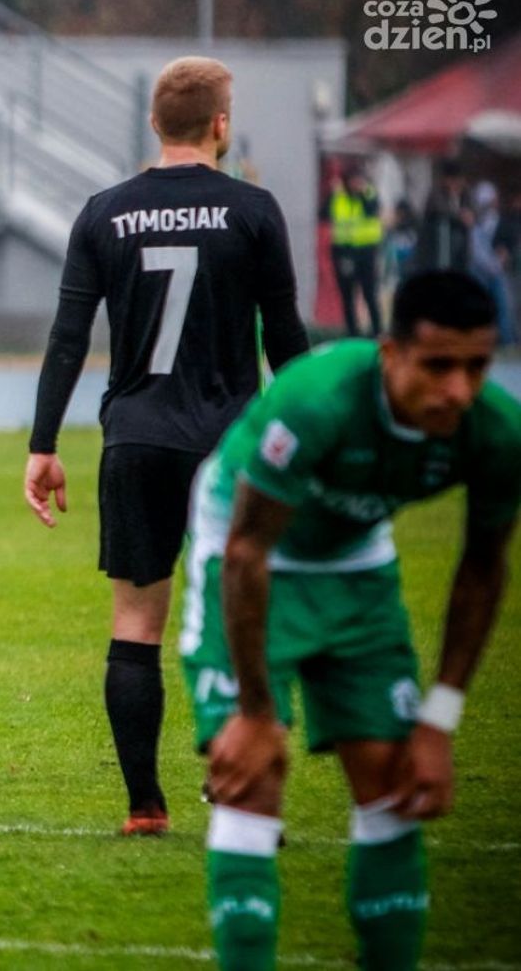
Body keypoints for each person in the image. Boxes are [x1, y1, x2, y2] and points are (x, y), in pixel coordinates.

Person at [180, 270, 520, 970]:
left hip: (355, 561)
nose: (458, 390)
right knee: (250, 780)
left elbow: (484, 568)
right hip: (246, 550)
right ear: (391, 353)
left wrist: (439, 719)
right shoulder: (316, 399)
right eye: (437, 366)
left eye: (476, 367)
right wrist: (256, 712)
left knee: (393, 782)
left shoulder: (496, 432)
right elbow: (247, 551)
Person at [23, 56, 309, 837]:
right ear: (221, 124)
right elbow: (285, 336)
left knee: (135, 625)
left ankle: (145, 807)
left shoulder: (104, 212)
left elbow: (68, 338)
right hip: (232, 448)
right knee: (243, 616)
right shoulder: (253, 210)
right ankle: (236, 781)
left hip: (137, 439)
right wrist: (316, 434)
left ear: (154, 123)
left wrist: (43, 443)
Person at [327, 165, 383, 336]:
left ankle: (377, 332)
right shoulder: (339, 198)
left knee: (369, 294)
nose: (356, 184)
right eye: (353, 180)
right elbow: (327, 214)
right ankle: (352, 333)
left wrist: (363, 193)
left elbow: (371, 210)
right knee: (347, 296)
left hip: (366, 252)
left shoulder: (369, 195)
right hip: (344, 252)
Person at [468, 180, 515, 346]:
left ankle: (506, 340)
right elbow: (476, 250)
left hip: (497, 270)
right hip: (480, 270)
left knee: (502, 306)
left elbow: (508, 243)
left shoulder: (501, 223)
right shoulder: (475, 224)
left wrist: (505, 254)